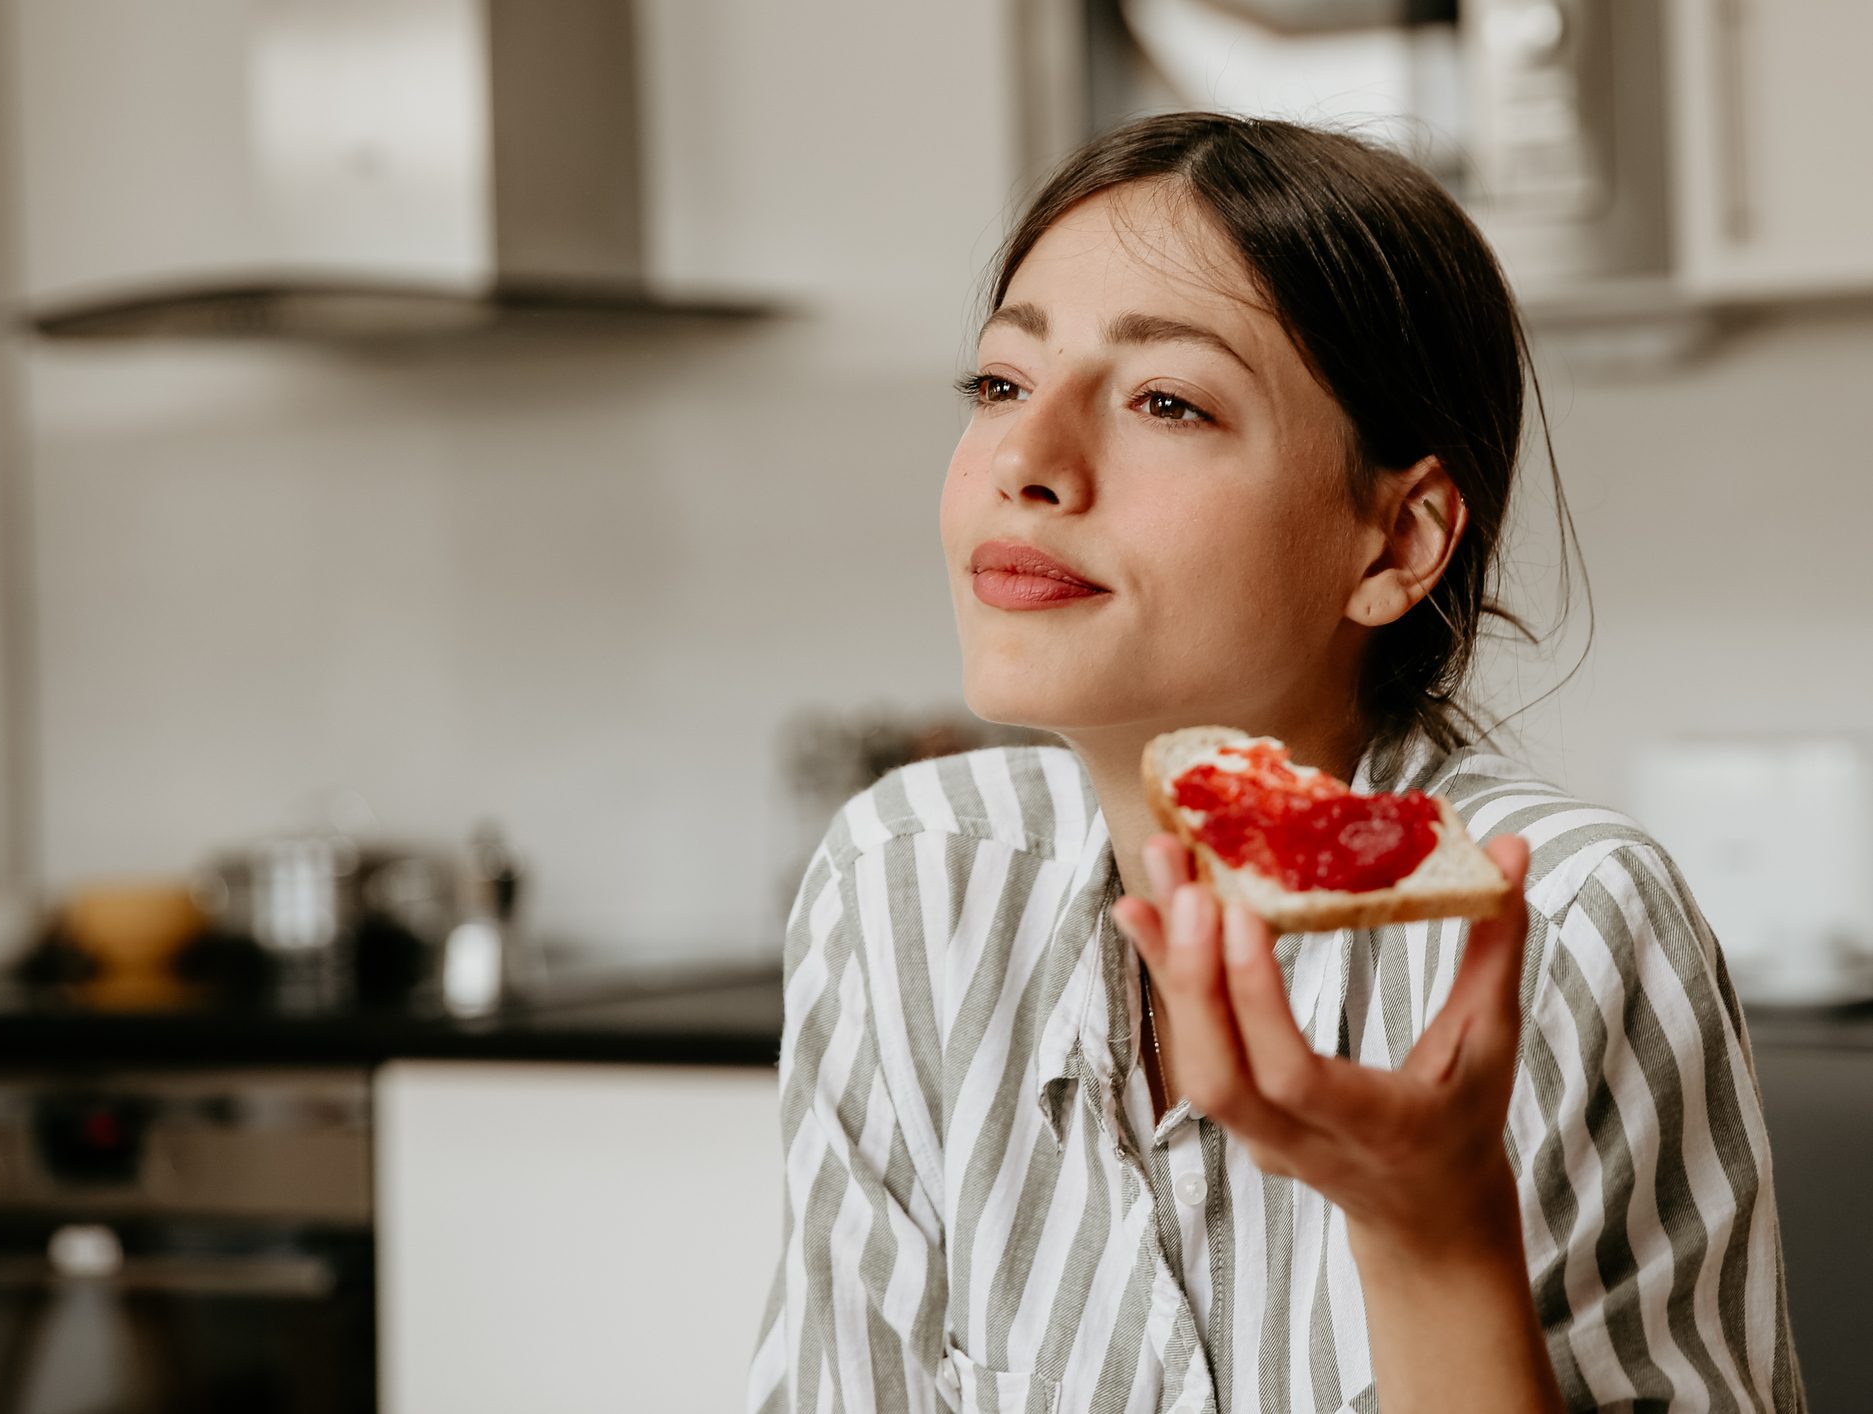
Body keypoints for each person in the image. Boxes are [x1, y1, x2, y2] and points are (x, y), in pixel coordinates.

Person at [745, 112, 1806, 1413]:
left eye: (1165, 401)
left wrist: (1434, 1240)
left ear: (1394, 543)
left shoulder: (1563, 919)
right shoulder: (904, 885)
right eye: (1000, 383)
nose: (1023, 461)